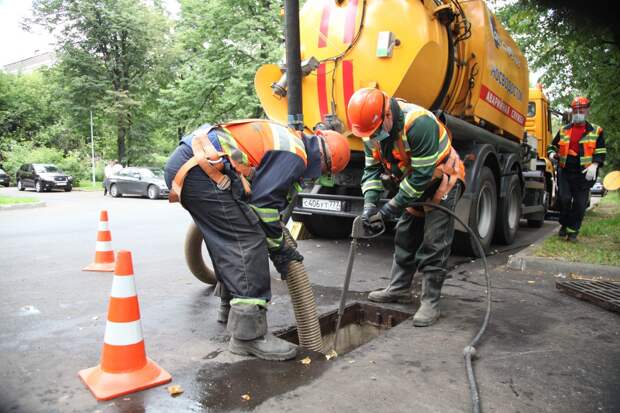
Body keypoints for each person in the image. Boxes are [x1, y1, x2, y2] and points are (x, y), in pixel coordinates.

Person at [164, 119, 350, 360]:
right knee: (248, 240)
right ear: (324, 164)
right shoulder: (296, 155)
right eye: (323, 173)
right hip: (200, 169)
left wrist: (277, 241)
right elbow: (263, 209)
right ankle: (248, 337)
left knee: (227, 237)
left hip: (194, 164)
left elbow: (262, 195)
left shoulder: (291, 141)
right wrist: (279, 249)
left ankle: (228, 306)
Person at [347, 87, 465, 327]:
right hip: (413, 182)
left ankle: (431, 301)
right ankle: (399, 289)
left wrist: (391, 208)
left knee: (434, 240)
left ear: (388, 115)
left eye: (376, 131)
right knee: (405, 234)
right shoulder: (371, 134)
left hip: (443, 180)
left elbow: (422, 176)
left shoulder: (418, 123)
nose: (372, 138)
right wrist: (370, 205)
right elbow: (371, 171)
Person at [547, 96, 606, 241]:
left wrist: (595, 164)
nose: (578, 112)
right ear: (572, 111)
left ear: (587, 110)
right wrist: (552, 153)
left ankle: (573, 232)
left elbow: (600, 151)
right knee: (565, 199)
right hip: (565, 171)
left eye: (581, 109)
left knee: (580, 204)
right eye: (575, 110)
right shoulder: (563, 130)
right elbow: (551, 146)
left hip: (584, 174)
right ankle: (564, 224)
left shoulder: (596, 131)